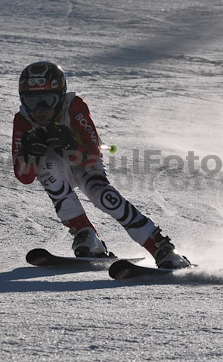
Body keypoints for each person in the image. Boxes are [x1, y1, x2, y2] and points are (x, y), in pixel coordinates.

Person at [11, 61, 191, 269]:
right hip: (57, 169)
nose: (40, 111)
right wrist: (31, 155)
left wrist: (69, 144)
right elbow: (24, 176)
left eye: (47, 101)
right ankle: (85, 234)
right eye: (32, 103)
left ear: (60, 97)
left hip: (84, 164)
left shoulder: (73, 106)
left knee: (101, 195)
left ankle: (162, 247)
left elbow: (92, 154)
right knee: (47, 164)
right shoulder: (23, 120)